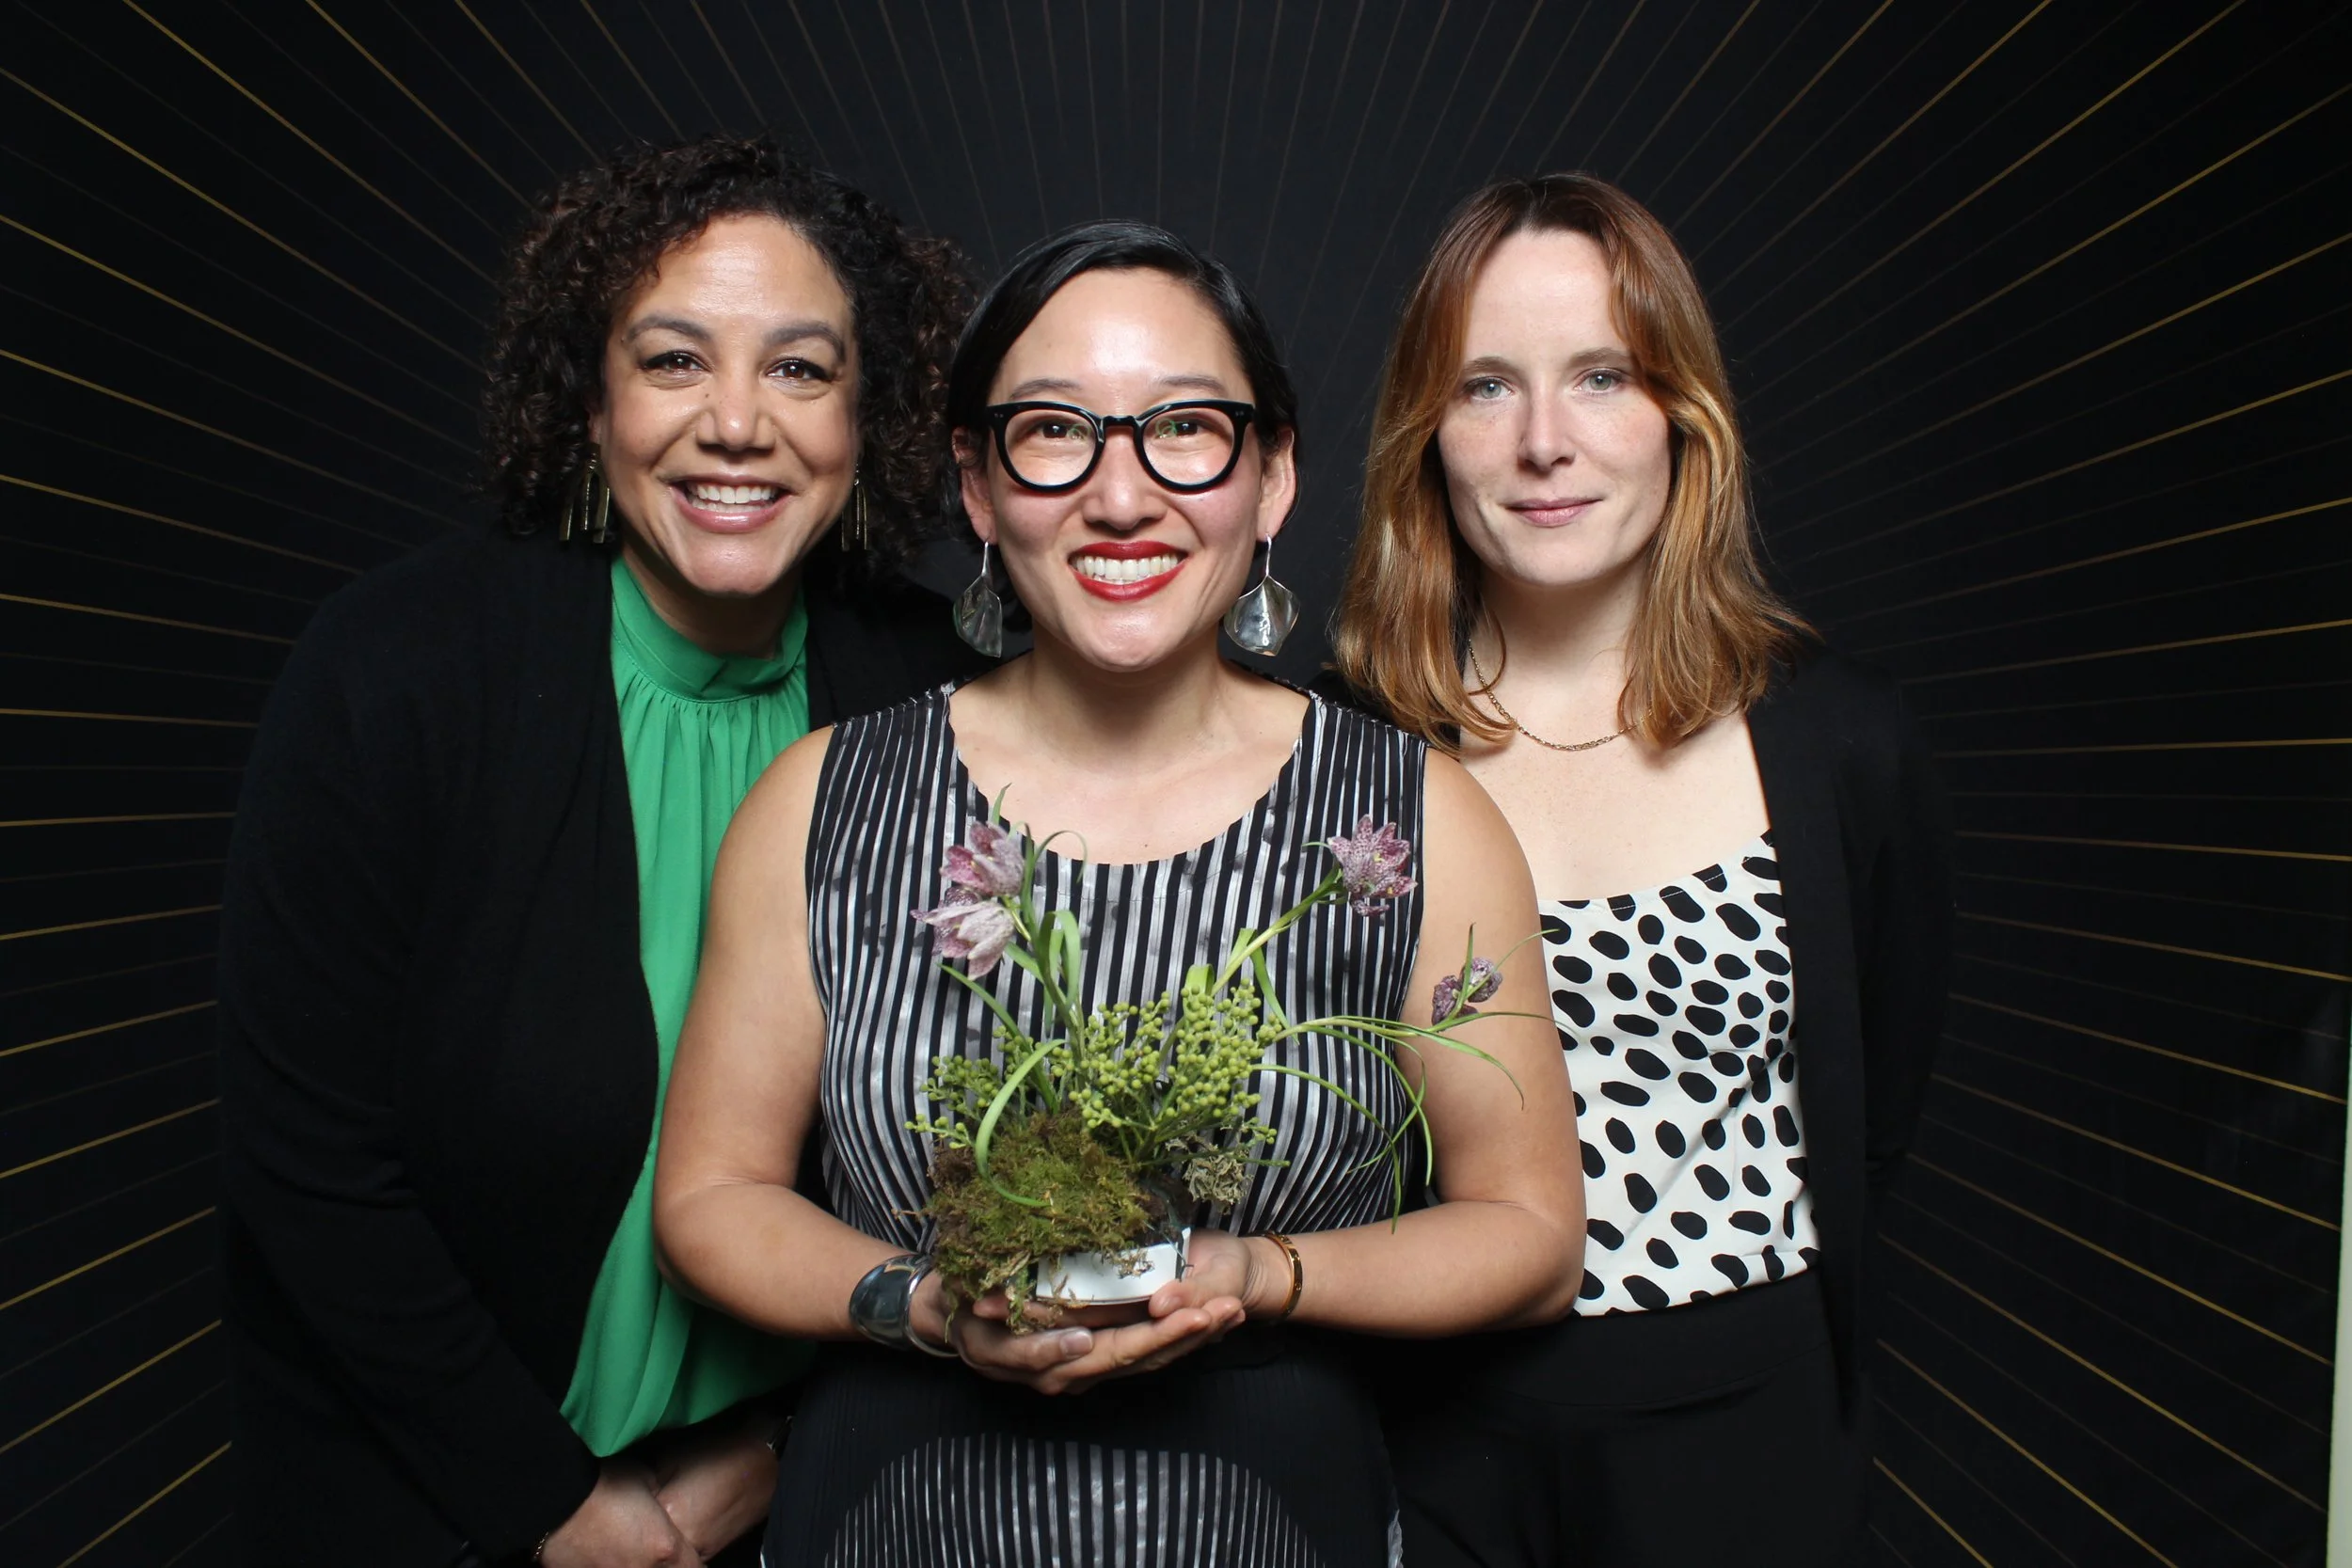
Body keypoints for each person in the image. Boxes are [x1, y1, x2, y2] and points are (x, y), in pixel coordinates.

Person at [652, 220, 1586, 1568]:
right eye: (1054, 432)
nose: (1122, 494)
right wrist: (919, 1304)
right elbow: (710, 1200)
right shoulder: (826, 800)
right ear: (977, 487)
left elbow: (1533, 1232)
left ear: (1272, 478)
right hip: (886, 1511)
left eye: (1185, 429)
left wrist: (1265, 1275)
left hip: (1277, 1515)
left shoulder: (1410, 813)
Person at [215, 135, 983, 1568]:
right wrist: (562, 1512)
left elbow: (986, 1157)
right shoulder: (399, 673)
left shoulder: (942, 703)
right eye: (675, 360)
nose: (738, 423)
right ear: (590, 403)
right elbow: (306, 1166)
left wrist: (762, 1464)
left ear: (866, 415)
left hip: (819, 1502)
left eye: (801, 369)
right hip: (429, 1507)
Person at [1328, 174, 1953, 1567]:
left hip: (1749, 1422)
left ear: (1683, 413)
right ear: (1426, 438)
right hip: (1423, 1430)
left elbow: (1875, 1102)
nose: (1545, 441)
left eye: (1599, 376)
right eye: (1487, 387)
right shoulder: (1332, 753)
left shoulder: (1840, 739)